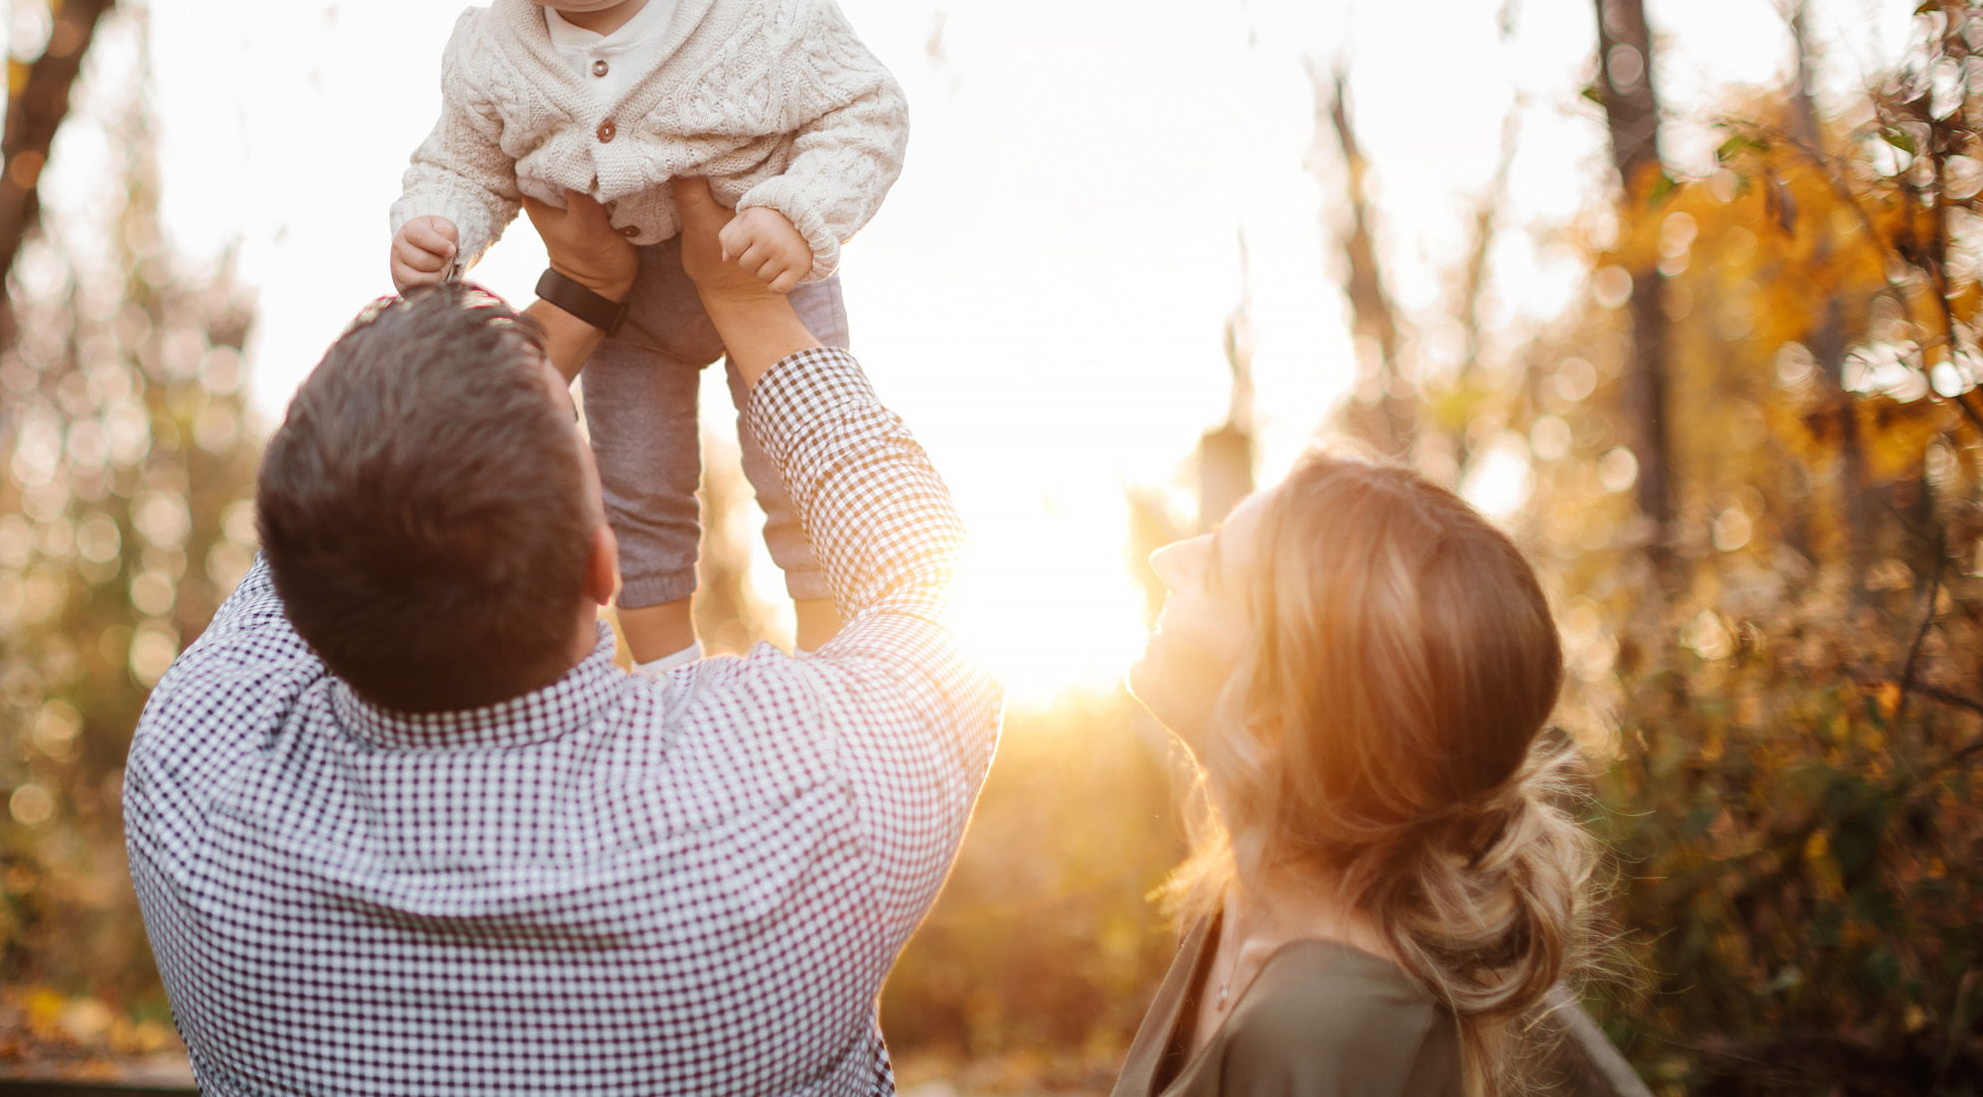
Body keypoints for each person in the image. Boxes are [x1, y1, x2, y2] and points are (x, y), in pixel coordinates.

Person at [124, 179, 1000, 1097]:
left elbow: (319, 536)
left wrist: (581, 292)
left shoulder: (198, 787)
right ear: (601, 565)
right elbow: (927, 586)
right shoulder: (794, 795)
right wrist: (746, 304)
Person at [386, 0, 908, 669]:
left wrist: (800, 210)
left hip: (763, 266)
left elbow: (865, 107)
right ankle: (665, 669)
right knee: (631, 483)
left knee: (802, 461)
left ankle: (835, 653)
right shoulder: (491, 56)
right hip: (624, 313)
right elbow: (462, 163)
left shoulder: (760, 16)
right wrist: (438, 227)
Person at [1115, 457, 1599, 1097]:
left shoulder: (1325, 1037)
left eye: (1214, 569)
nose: (1168, 558)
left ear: (1277, 711)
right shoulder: (1235, 920)